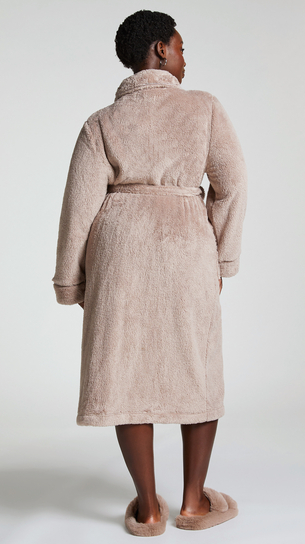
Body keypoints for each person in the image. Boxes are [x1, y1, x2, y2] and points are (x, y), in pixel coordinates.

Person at [52, 9, 247, 537]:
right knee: (196, 364)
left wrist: (71, 280)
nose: (184, 58)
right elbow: (231, 183)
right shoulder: (204, 108)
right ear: (160, 49)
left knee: (124, 368)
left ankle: (149, 508)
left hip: (119, 250)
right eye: (181, 48)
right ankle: (193, 503)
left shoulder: (101, 122)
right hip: (186, 243)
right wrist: (221, 256)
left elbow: (78, 207)